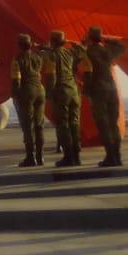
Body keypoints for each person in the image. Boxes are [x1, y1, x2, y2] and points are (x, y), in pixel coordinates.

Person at [41, 30, 87, 167]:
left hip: (61, 92)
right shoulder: (70, 53)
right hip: (74, 91)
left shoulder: (51, 56)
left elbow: (51, 76)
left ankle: (68, 157)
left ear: (52, 41)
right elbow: (82, 51)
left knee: (63, 125)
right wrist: (72, 42)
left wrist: (49, 93)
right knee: (74, 123)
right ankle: (77, 156)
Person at [83, 26, 127, 167]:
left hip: (98, 91)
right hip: (112, 89)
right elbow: (121, 46)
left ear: (90, 37)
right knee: (113, 124)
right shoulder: (108, 51)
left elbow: (88, 74)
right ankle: (117, 156)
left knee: (104, 125)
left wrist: (87, 92)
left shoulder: (88, 53)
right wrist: (106, 38)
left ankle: (110, 156)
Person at [10, 34, 46, 167]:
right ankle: (40, 157)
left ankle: (31, 157)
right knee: (39, 125)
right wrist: (37, 46)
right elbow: (45, 49)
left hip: (27, 91)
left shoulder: (17, 59)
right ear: (31, 44)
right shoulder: (38, 56)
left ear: (19, 45)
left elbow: (16, 80)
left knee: (27, 126)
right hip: (40, 90)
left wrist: (15, 95)